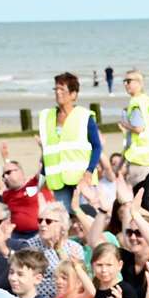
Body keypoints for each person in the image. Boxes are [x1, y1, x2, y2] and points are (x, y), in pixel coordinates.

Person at [39, 72, 101, 211]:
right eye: (56, 89)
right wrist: (42, 178)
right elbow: (47, 152)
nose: (58, 93)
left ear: (73, 94)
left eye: (62, 89)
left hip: (81, 179)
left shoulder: (84, 117)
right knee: (64, 220)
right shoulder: (46, 117)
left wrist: (89, 171)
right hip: (58, 181)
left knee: (85, 217)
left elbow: (97, 147)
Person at [118, 71, 149, 189]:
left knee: (133, 195)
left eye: (129, 81)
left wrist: (124, 124)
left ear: (139, 83)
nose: (125, 84)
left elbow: (138, 129)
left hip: (140, 159)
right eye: (124, 81)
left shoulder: (136, 104)